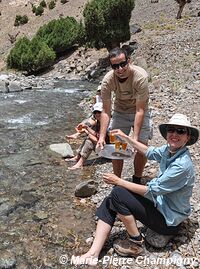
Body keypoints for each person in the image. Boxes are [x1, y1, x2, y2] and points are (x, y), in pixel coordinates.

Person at [72, 113, 199, 265]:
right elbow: (149, 152)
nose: (174, 134)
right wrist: (126, 138)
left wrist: (118, 181)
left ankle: (136, 242)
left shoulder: (182, 165)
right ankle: (93, 253)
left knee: (118, 192)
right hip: (161, 206)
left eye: (180, 131)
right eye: (171, 130)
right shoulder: (169, 151)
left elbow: (152, 190)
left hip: (168, 221)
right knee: (110, 200)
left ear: (187, 137)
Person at [97, 47, 152, 182]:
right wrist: (102, 137)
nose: (120, 69)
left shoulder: (140, 77)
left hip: (140, 110)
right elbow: (105, 111)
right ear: (111, 66)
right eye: (115, 66)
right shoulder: (107, 81)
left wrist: (134, 139)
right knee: (117, 145)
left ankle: (137, 179)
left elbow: (140, 110)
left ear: (129, 61)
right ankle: (117, 181)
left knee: (140, 146)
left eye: (123, 64)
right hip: (120, 111)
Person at [66, 103, 106, 170]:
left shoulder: (106, 124)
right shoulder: (99, 121)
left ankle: (80, 163)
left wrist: (87, 133)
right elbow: (96, 134)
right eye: (95, 112)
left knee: (89, 141)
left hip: (109, 152)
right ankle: (78, 157)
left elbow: (98, 141)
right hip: (104, 148)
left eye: (99, 112)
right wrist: (86, 128)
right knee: (89, 135)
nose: (97, 114)